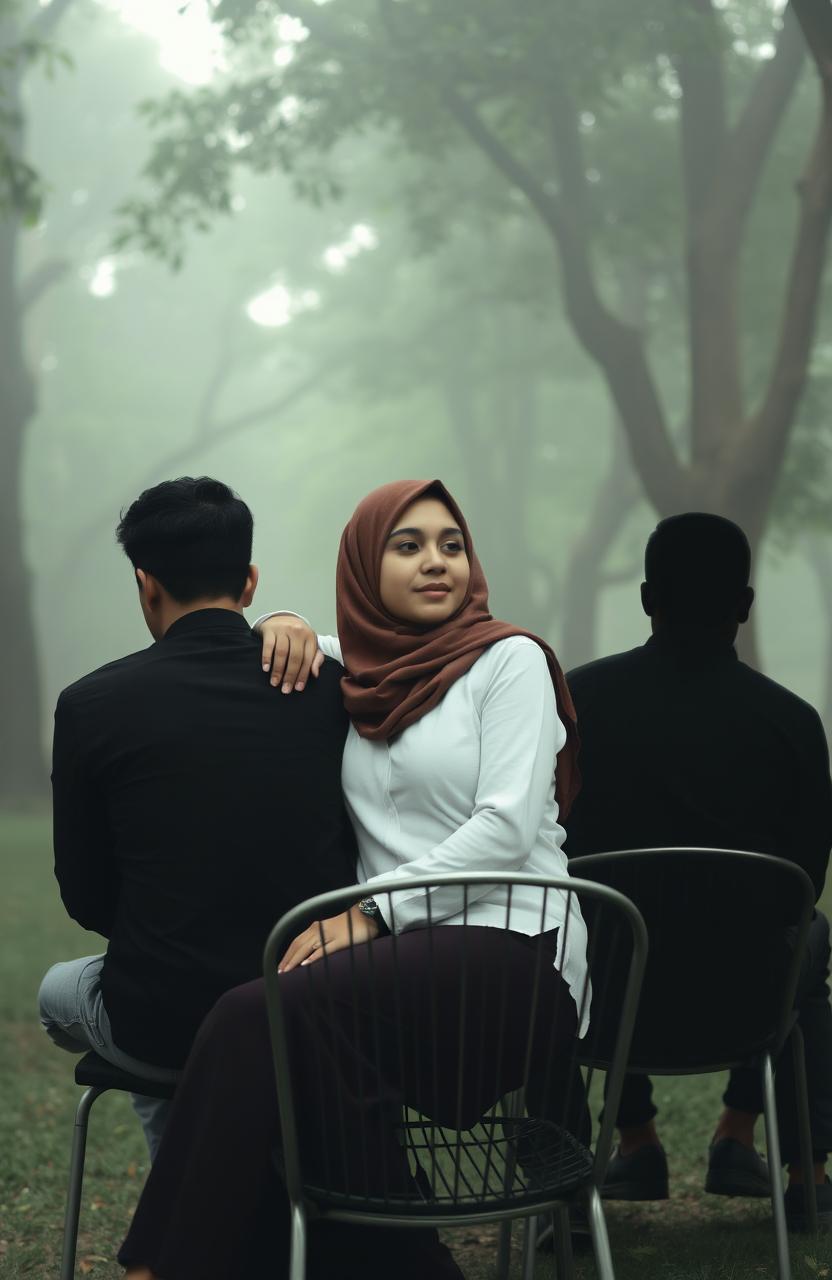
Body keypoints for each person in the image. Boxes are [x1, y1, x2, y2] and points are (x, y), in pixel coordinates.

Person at [117, 478, 589, 1280]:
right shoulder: (362, 671)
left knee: (251, 1014)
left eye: (451, 544)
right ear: (366, 568)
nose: (436, 561)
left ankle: (157, 1269)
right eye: (407, 546)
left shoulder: (509, 660)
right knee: (295, 1051)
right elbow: (295, 639)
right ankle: (413, 1262)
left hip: (513, 950)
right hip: (396, 977)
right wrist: (283, 620)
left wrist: (375, 912)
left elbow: (506, 827)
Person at [38, 476, 356, 1159]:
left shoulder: (90, 704)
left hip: (163, 1017)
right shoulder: (329, 689)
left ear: (145, 584)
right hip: (313, 1007)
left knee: (58, 993)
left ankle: (187, 1186)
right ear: (249, 582)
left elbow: (86, 896)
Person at [564, 512, 832, 1229]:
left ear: (647, 598)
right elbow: (804, 877)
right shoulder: (793, 722)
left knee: (560, 935)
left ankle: (624, 1147)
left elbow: (550, 852)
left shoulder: (577, 704)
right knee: (809, 936)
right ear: (745, 607)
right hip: (744, 1004)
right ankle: (789, 1163)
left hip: (608, 1007)